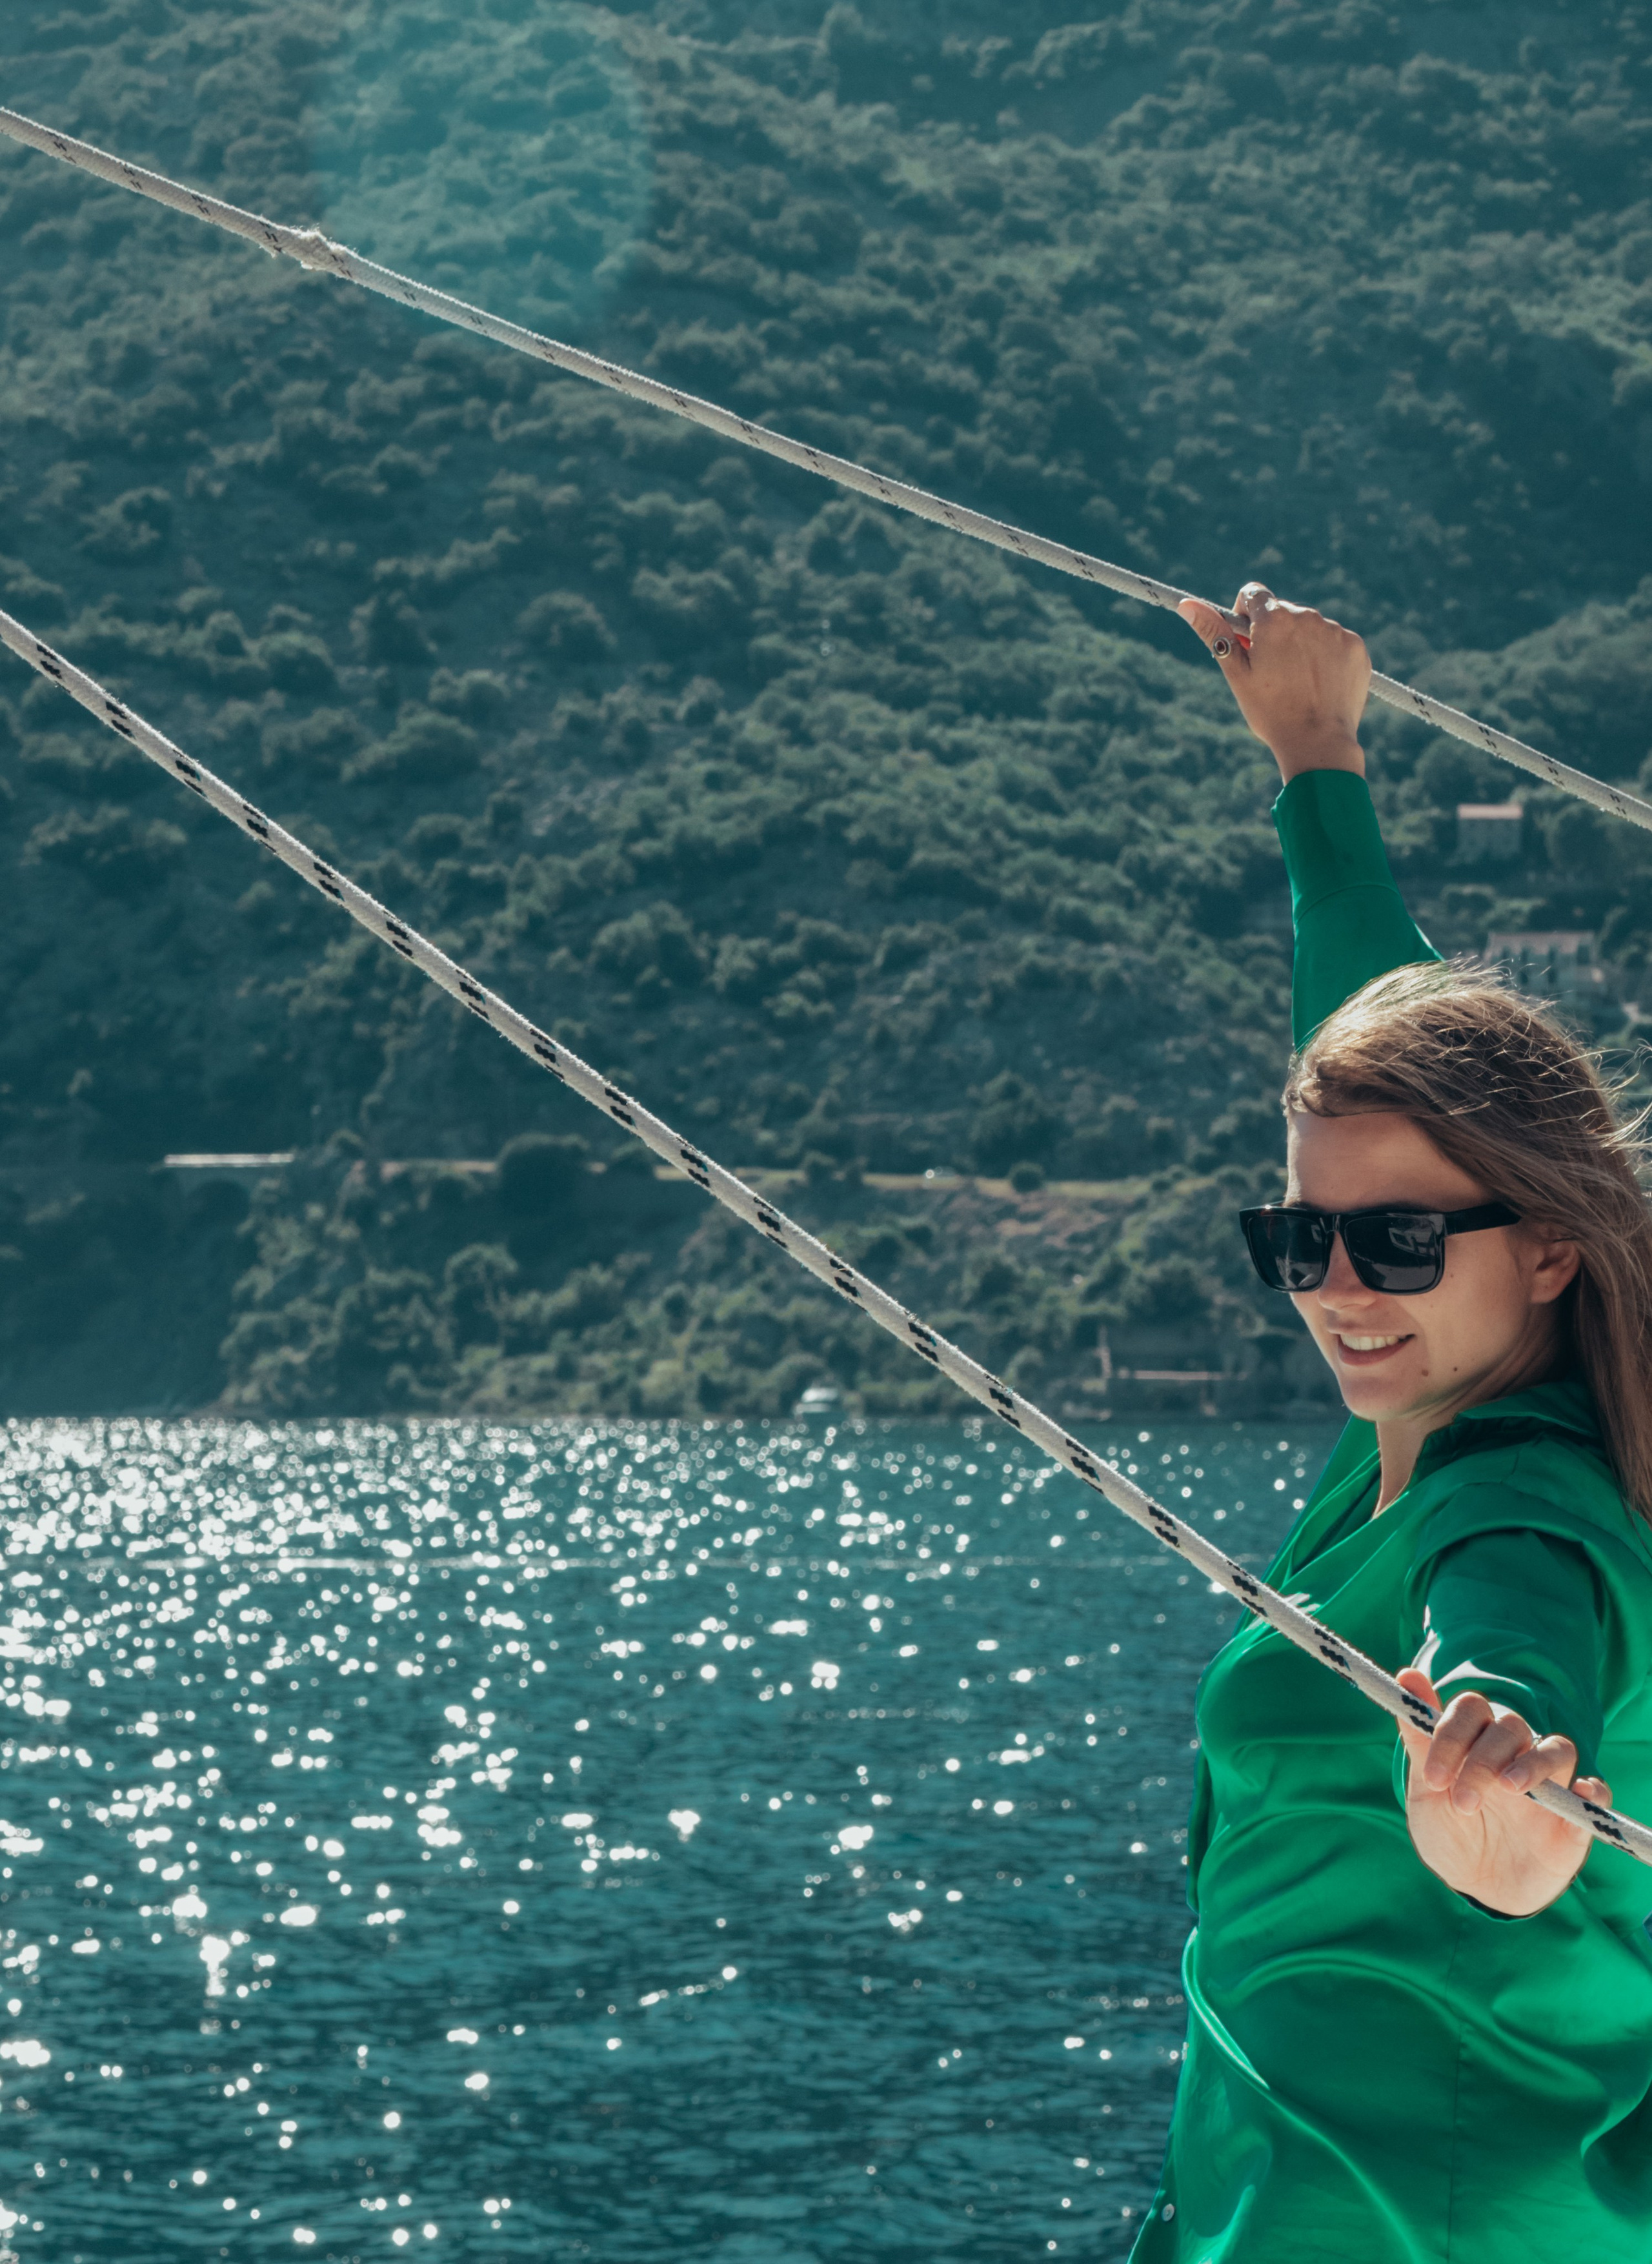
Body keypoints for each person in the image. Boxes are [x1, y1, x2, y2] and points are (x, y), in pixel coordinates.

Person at [1124, 584, 1652, 2263]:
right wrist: (1313, 754)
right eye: (1301, 1237)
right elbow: (1373, 1035)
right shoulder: (1424, 1406)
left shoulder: (1521, 1515)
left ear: (1551, 1240)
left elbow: (1509, 1684)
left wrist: (1498, 1792)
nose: (1340, 1286)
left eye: (1399, 1244)